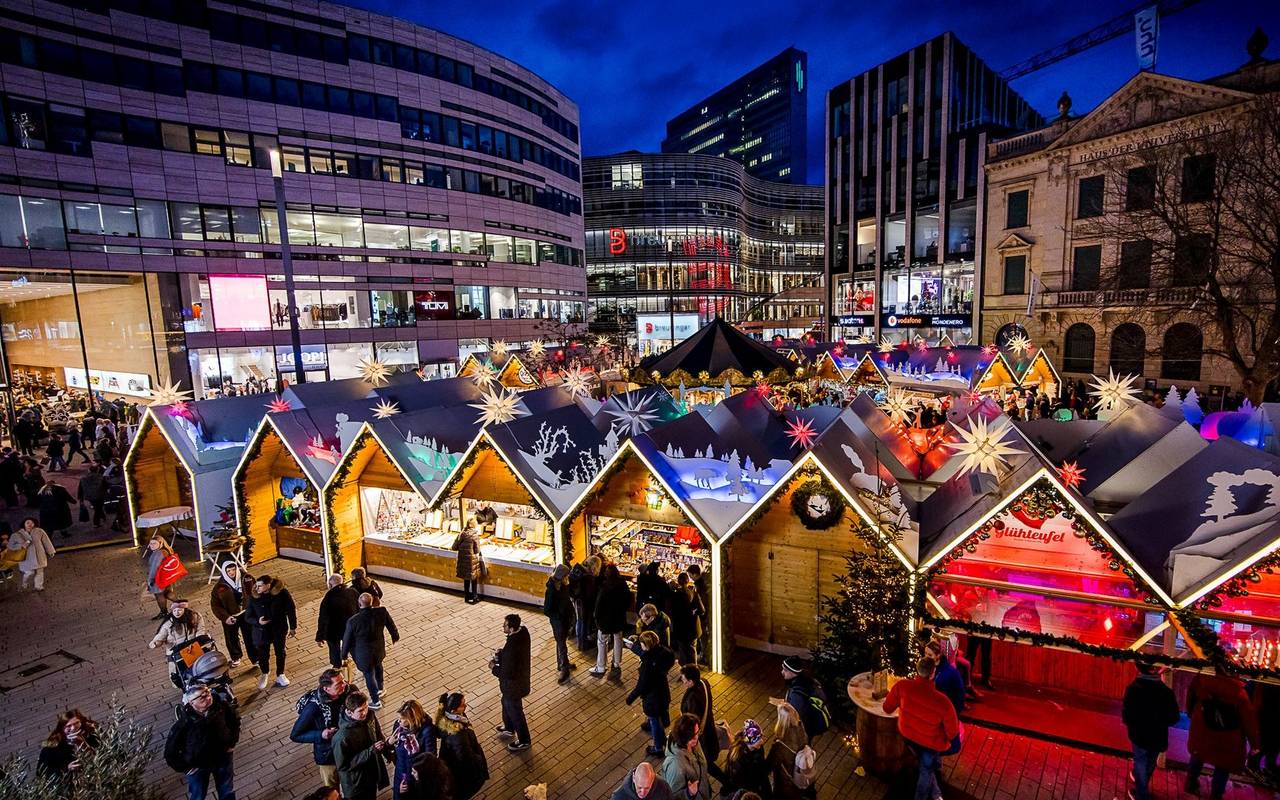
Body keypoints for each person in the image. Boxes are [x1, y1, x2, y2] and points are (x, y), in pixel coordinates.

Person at [883, 657, 960, 800]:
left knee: (927, 766)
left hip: (907, 735)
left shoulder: (903, 686)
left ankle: (936, 792)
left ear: (917, 670)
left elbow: (887, 708)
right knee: (926, 770)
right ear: (933, 673)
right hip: (929, 743)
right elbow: (953, 732)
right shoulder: (943, 702)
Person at [1185, 659, 1259, 799]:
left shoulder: (1202, 679)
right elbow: (1249, 720)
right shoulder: (1239, 693)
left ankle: (1190, 783)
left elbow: (1191, 695)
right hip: (1227, 736)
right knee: (1222, 766)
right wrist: (1255, 744)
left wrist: (1190, 712)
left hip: (1202, 728)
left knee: (1197, 755)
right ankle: (1216, 794)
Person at [164, 685, 241, 800]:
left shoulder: (222, 707)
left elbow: (234, 722)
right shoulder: (185, 723)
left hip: (223, 757)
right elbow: (170, 752)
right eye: (202, 697)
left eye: (207, 692)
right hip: (198, 766)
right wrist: (186, 768)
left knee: (226, 790)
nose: (208, 697)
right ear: (192, 703)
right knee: (198, 795)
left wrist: (231, 743)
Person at [1121, 662, 1181, 800]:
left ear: (1137, 668)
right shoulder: (1166, 692)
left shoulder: (1132, 689)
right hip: (1157, 735)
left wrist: (1133, 724)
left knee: (1141, 761)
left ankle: (1141, 793)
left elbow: (1126, 715)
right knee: (1150, 761)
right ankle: (1140, 785)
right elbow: (1174, 718)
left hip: (1138, 734)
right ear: (1156, 669)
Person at [291, 669, 354, 790]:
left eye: (343, 680)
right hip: (328, 755)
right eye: (339, 684)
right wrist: (321, 734)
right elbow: (295, 735)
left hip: (349, 748)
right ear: (326, 688)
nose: (344, 684)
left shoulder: (349, 691)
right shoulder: (313, 707)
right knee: (332, 789)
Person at [341, 592, 401, 709]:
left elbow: (347, 640)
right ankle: (381, 688)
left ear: (359, 604)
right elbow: (391, 625)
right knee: (378, 666)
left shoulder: (353, 621)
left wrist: (343, 655)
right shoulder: (381, 612)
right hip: (379, 650)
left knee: (369, 675)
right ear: (372, 601)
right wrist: (395, 636)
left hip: (363, 654)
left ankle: (375, 700)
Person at [332, 690, 391, 800]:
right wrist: (371, 751)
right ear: (349, 712)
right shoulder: (341, 737)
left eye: (366, 707)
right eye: (360, 711)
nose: (365, 712)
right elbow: (343, 765)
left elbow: (378, 734)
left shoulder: (370, 716)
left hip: (371, 773)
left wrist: (386, 752)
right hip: (356, 783)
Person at [626, 630, 677, 757]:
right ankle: (662, 738)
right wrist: (637, 641)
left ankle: (658, 747)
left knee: (655, 721)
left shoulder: (648, 664)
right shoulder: (665, 653)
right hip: (663, 693)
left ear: (647, 646)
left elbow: (642, 685)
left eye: (642, 644)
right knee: (659, 716)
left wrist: (630, 698)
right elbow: (646, 652)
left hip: (652, 699)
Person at [434, 691, 489, 800]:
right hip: (460, 769)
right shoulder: (458, 734)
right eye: (462, 705)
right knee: (463, 789)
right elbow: (465, 757)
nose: (465, 705)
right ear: (454, 710)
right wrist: (479, 760)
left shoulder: (449, 717)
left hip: (449, 760)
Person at [247, 573, 297, 690]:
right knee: (263, 654)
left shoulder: (282, 593)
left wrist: (293, 627)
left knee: (280, 652)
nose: (257, 588)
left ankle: (280, 674)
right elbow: (248, 616)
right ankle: (265, 673)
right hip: (261, 631)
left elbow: (291, 609)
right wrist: (258, 622)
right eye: (256, 586)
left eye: (260, 586)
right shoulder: (254, 597)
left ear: (268, 585)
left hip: (278, 629)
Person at [493, 613, 532, 751]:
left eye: (505, 625)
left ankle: (524, 740)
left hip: (513, 686)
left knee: (515, 711)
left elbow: (506, 673)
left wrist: (493, 668)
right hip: (520, 682)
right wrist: (503, 653)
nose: (503, 626)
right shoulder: (522, 633)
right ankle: (509, 727)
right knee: (506, 703)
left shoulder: (513, 647)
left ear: (511, 628)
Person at [678, 665, 722, 777]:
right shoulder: (704, 682)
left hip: (703, 737)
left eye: (684, 680)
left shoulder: (693, 699)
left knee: (706, 762)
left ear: (691, 681)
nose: (683, 682)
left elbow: (692, 722)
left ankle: (726, 781)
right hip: (709, 726)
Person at [592, 563, 633, 681]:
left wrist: (597, 618)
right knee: (618, 639)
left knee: (602, 641)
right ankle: (616, 663)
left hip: (605, 619)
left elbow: (599, 606)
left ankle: (600, 666)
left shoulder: (605, 587)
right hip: (618, 617)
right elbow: (628, 599)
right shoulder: (622, 584)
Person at [210, 562, 255, 668]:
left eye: (233, 570)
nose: (231, 573)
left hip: (246, 613)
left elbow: (256, 592)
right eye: (228, 571)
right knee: (231, 637)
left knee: (250, 636)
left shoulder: (247, 578)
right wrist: (225, 617)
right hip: (231, 616)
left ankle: (255, 657)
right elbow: (215, 605)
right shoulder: (219, 587)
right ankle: (236, 657)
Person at [766, 702, 814, 800]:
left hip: (786, 782)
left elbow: (769, 765)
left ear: (782, 720)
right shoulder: (801, 728)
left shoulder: (780, 744)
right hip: (800, 776)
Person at [390, 699, 437, 800]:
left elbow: (431, 758)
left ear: (412, 719)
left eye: (402, 719)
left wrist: (419, 777)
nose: (399, 721)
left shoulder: (427, 731)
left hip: (416, 775)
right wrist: (389, 742)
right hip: (401, 770)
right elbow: (391, 748)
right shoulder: (398, 726)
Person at [149, 598, 207, 679]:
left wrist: (197, 642)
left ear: (185, 609)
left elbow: (200, 629)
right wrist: (155, 643)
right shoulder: (168, 624)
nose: (177, 612)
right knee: (181, 675)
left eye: (179, 610)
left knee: (201, 667)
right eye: (174, 610)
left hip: (194, 648)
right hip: (178, 654)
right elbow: (161, 636)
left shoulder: (195, 616)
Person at [660, 713, 710, 800]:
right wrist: (689, 793)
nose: (697, 737)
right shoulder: (675, 766)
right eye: (693, 736)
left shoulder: (692, 742)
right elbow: (672, 796)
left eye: (698, 732)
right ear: (684, 737)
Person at [37, 710, 99, 780]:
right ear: (62, 729)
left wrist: (83, 744)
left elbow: (102, 754)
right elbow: (41, 773)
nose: (73, 728)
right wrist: (66, 768)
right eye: (68, 726)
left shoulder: (91, 734)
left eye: (76, 723)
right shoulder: (52, 747)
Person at [317, 573, 359, 669]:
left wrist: (319, 637)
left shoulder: (328, 598)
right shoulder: (353, 592)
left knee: (334, 648)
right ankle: (361, 663)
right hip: (350, 627)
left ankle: (337, 665)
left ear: (330, 585)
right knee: (353, 646)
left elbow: (322, 618)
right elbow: (359, 609)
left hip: (333, 629)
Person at [543, 563, 577, 684]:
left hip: (564, 619)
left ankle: (563, 663)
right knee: (561, 644)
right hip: (558, 621)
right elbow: (547, 610)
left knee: (561, 642)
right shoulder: (551, 590)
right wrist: (558, 616)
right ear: (562, 576)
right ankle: (563, 668)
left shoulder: (562, 586)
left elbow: (567, 601)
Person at [780, 658, 829, 743]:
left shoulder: (797, 694)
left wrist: (784, 708)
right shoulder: (808, 681)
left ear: (793, 672)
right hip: (812, 722)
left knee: (803, 743)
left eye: (785, 670)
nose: (782, 672)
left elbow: (795, 716)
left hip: (806, 727)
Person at [722, 720, 772, 799]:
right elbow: (741, 783)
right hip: (749, 788)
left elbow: (761, 766)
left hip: (759, 782)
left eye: (761, 737)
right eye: (758, 739)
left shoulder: (758, 747)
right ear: (750, 742)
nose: (762, 741)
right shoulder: (737, 759)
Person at [12, 516, 56, 592]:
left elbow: (46, 541)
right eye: (28, 523)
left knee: (40, 572)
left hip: (39, 555)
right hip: (27, 557)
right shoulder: (18, 534)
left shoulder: (39, 531)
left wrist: (51, 551)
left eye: (32, 523)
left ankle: (38, 586)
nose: (30, 524)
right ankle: (25, 583)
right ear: (24, 524)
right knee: (29, 572)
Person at [570, 555, 602, 651]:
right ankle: (583, 644)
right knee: (582, 622)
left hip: (577, 600)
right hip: (584, 602)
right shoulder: (588, 577)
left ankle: (581, 642)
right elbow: (589, 594)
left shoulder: (579, 569)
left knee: (580, 621)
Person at [925, 640, 965, 716]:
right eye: (925, 653)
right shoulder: (929, 667)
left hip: (947, 711)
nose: (926, 657)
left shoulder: (948, 672)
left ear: (938, 655)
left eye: (930, 655)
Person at [144, 535, 178, 619]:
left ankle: (164, 612)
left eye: (154, 543)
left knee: (159, 595)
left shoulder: (158, 553)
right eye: (151, 543)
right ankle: (181, 605)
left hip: (158, 578)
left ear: (161, 543)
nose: (152, 545)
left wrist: (150, 580)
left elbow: (154, 568)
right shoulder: (166, 550)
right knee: (167, 593)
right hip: (167, 576)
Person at [668, 576, 698, 666]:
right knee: (691, 649)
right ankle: (692, 670)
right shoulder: (692, 593)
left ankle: (685, 671)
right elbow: (701, 609)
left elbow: (672, 610)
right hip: (692, 626)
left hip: (681, 626)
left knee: (683, 649)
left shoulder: (676, 595)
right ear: (688, 581)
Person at [452, 524, 483, 604]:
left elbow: (454, 547)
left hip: (463, 560)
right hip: (471, 560)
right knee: (474, 578)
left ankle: (466, 596)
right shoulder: (474, 535)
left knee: (466, 578)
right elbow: (477, 550)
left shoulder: (461, 534)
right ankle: (474, 597)